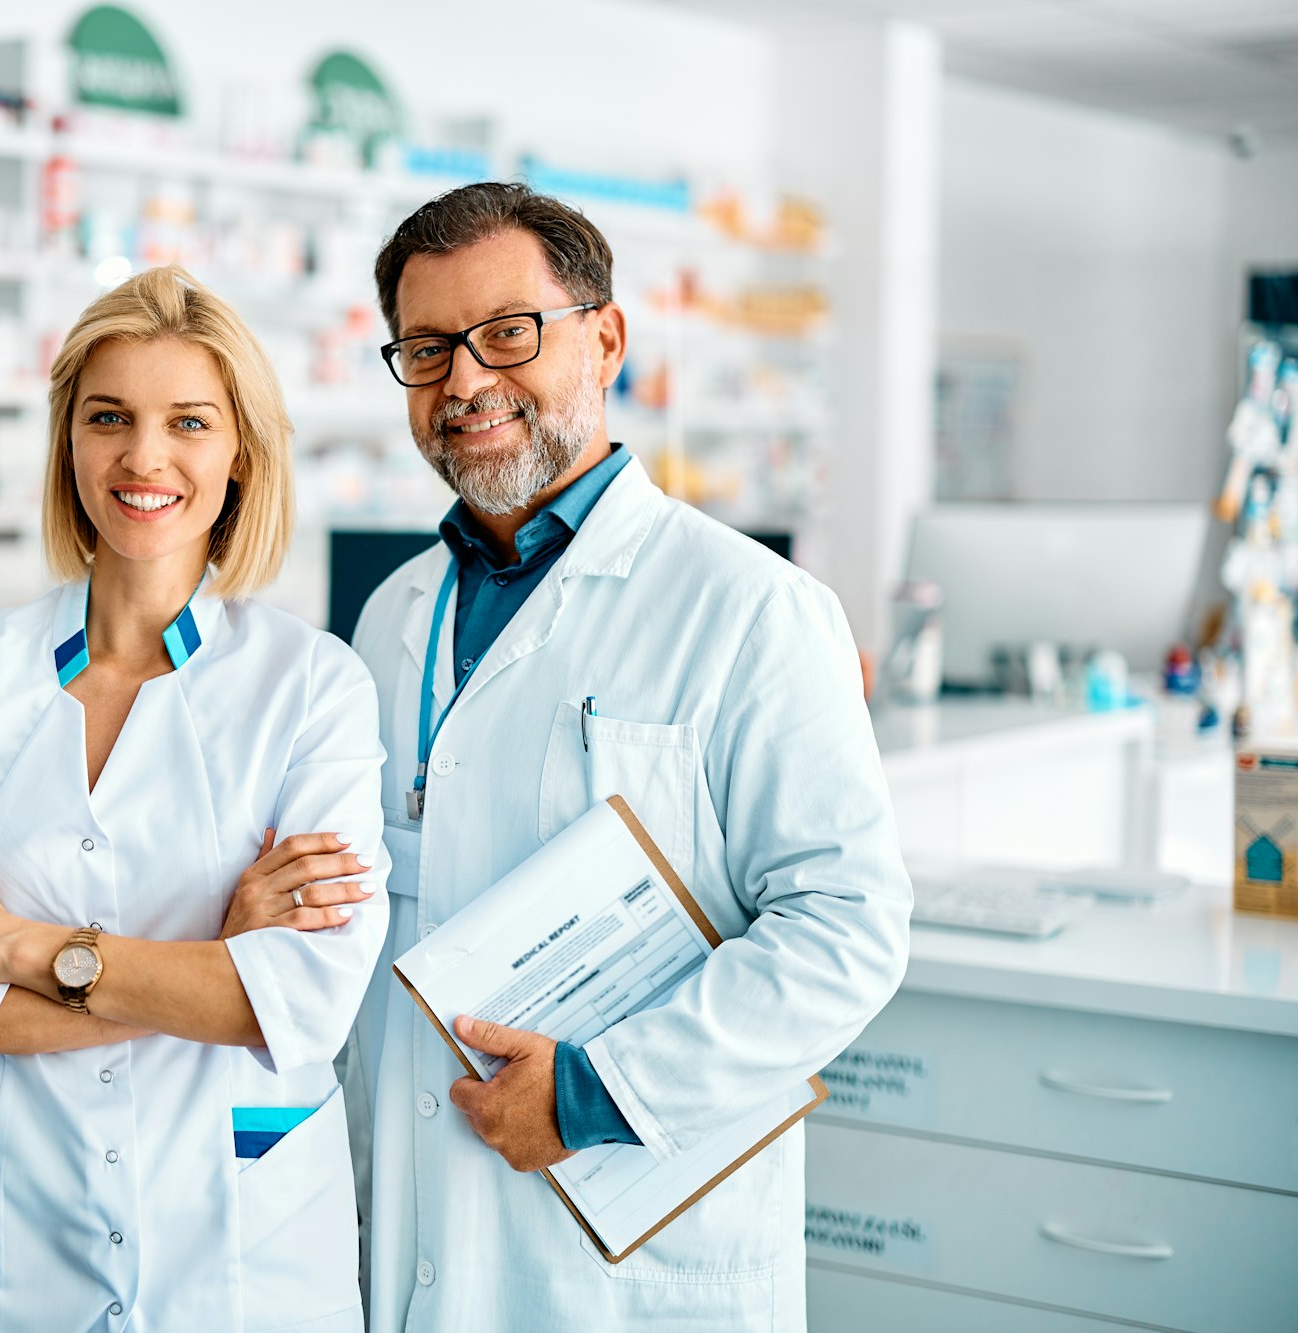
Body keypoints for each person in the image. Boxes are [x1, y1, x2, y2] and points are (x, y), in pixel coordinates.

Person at [342, 183, 912, 1329]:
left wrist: (601, 1091)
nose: (463, 381)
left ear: (603, 340)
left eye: (507, 333)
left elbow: (847, 926)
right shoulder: (390, 614)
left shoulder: (752, 609)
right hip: (412, 1211)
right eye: (425, 348)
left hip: (626, 1248)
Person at [0, 264, 388, 1333]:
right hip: (9, 1240)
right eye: (110, 418)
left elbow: (299, 1005)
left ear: (239, 452)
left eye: (188, 421)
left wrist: (5, 944)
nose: (144, 458)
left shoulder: (312, 684)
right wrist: (203, 974)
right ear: (67, 443)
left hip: (239, 1248)